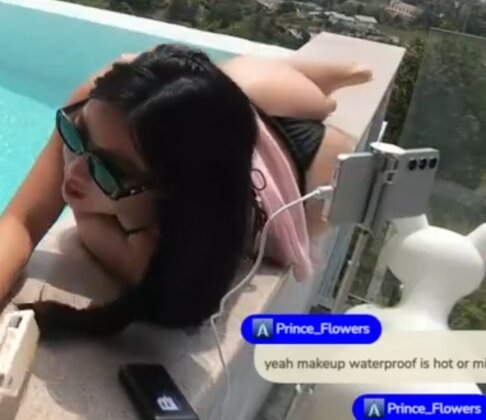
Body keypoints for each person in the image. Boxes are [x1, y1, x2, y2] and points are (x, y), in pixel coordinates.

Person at [0, 43, 371, 338]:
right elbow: (22, 220)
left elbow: (88, 230)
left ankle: (313, 79)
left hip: (300, 155)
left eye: (112, 168)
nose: (73, 169)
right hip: (211, 113)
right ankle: (230, 81)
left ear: (170, 192)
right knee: (220, 83)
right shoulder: (100, 108)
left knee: (319, 103)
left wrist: (111, 214)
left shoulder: (164, 247)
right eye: (75, 133)